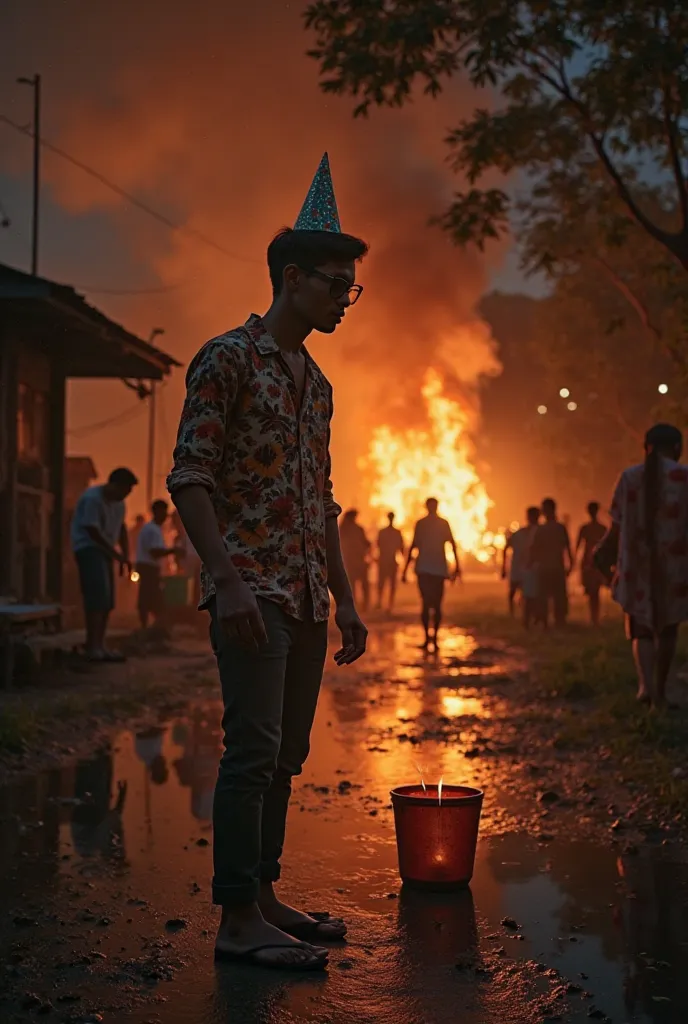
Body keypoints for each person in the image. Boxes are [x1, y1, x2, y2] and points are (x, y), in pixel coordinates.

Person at [167, 153, 368, 971]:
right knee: (251, 752)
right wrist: (227, 580)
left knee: (287, 754)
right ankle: (235, 921)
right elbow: (190, 476)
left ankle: (266, 894)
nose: (343, 300)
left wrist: (346, 598)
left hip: (309, 594)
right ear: (290, 279)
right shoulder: (226, 359)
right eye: (333, 284)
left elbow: (322, 501)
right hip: (251, 590)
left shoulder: (316, 386)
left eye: (350, 287)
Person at [596, 423, 688, 707]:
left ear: (646, 448)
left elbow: (617, 525)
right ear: (677, 448)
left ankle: (645, 688)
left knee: (641, 627)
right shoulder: (685, 477)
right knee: (669, 626)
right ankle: (660, 690)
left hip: (636, 564)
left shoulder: (629, 477)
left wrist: (602, 555)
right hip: (675, 565)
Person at [70, 467, 137, 661]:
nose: (125, 496)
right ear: (113, 485)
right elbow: (93, 532)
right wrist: (116, 555)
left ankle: (100, 645)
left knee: (107, 601)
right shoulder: (92, 499)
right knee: (96, 598)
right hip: (89, 549)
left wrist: (125, 555)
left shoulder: (119, 504)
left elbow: (122, 528)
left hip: (106, 552)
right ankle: (92, 647)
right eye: (124, 491)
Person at [402, 498, 460, 650]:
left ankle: (429, 638)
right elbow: (452, 544)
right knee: (436, 604)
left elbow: (413, 546)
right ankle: (432, 639)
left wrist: (405, 569)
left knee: (426, 603)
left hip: (425, 569)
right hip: (438, 570)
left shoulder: (422, 523)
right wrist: (457, 567)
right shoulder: (442, 523)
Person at [135, 499, 181, 629]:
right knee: (152, 596)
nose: (165, 516)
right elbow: (155, 552)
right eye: (163, 512)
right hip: (148, 566)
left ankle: (149, 626)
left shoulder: (153, 529)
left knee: (148, 595)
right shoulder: (152, 530)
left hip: (148, 566)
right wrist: (173, 551)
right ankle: (151, 627)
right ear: (156, 512)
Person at [529, 497, 573, 628]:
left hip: (545, 568)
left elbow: (534, 549)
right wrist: (570, 564)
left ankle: (545, 622)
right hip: (555, 567)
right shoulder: (560, 528)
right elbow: (567, 548)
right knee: (558, 596)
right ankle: (559, 621)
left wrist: (532, 564)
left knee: (544, 596)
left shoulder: (541, 529)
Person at [502, 507, 540, 620]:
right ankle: (513, 613)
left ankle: (527, 616)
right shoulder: (519, 533)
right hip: (521, 568)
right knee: (515, 591)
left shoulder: (539, 532)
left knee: (529, 594)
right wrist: (503, 567)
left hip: (531, 568)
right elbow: (506, 548)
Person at [576, 501, 606, 625]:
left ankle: (594, 617)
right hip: (594, 561)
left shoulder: (586, 528)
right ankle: (594, 617)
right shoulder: (601, 528)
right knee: (594, 591)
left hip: (591, 561)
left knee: (593, 591)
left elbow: (578, 546)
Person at [339, 509, 371, 611]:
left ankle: (357, 604)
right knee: (361, 583)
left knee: (353, 583)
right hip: (355, 560)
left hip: (351, 560)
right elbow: (366, 543)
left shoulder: (343, 529)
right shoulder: (354, 529)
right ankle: (362, 604)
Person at [376, 511, 405, 612]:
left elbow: (378, 545)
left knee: (383, 582)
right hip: (390, 560)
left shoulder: (383, 532)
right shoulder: (396, 532)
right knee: (389, 583)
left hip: (385, 560)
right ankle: (388, 603)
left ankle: (382, 602)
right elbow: (401, 547)